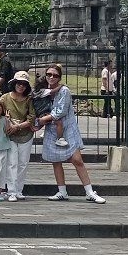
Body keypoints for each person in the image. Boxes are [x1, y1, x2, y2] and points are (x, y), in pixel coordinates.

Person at [37, 63, 105, 204]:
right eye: (49, 74)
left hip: (67, 127)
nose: (51, 77)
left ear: (59, 77)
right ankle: (62, 191)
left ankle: (89, 192)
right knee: (56, 161)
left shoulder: (64, 91)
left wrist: (43, 119)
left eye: (55, 75)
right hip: (51, 129)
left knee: (77, 160)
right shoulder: (42, 91)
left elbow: (60, 111)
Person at [2, 71, 37, 202]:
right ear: (14, 84)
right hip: (10, 134)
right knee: (12, 163)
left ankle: (19, 189)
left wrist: (18, 126)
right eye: (18, 83)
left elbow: (32, 118)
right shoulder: (5, 98)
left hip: (25, 134)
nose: (21, 86)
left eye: (24, 84)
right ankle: (11, 190)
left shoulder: (29, 100)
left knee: (23, 163)